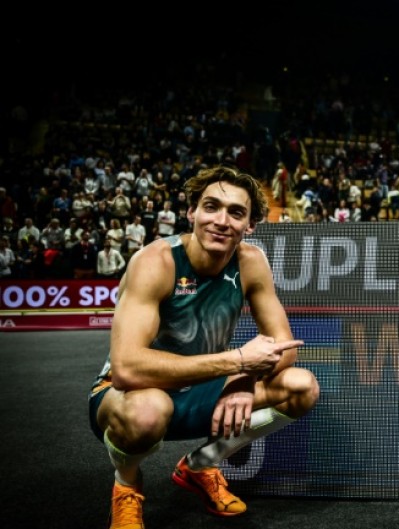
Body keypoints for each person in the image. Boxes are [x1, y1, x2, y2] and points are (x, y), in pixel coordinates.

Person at [88, 165, 320, 528]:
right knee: (148, 410)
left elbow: (284, 345)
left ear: (250, 226)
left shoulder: (252, 261)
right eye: (211, 207)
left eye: (236, 213)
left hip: (204, 387)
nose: (222, 220)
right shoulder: (154, 262)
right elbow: (127, 369)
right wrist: (238, 362)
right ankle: (126, 484)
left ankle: (199, 465)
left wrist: (243, 382)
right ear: (191, 211)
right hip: (131, 393)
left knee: (301, 386)